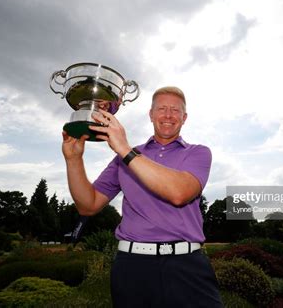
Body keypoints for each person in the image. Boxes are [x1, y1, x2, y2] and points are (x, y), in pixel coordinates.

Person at [62, 86, 223, 308]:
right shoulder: (125, 158)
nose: (168, 115)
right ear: (151, 114)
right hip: (132, 266)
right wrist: (73, 159)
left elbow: (180, 193)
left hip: (187, 265)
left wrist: (125, 150)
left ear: (184, 118)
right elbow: (88, 205)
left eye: (175, 110)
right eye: (162, 109)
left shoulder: (197, 152)